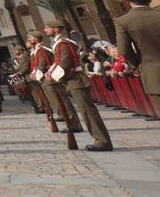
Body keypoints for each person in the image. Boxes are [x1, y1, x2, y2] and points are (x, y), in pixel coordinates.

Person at [115, 0, 160, 143]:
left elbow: (124, 51)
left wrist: (140, 64)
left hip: (155, 74)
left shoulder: (124, 21)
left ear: (129, 1)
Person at [45, 20, 113, 152]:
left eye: (48, 28)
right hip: (72, 80)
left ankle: (102, 141)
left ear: (57, 29)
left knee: (87, 110)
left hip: (76, 80)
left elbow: (65, 62)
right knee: (86, 110)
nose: (46, 30)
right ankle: (100, 139)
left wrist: (54, 76)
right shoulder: (59, 43)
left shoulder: (63, 43)